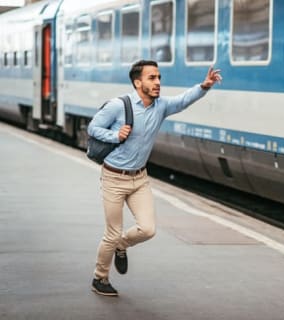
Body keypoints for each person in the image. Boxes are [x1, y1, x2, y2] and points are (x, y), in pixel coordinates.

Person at [87, 60, 222, 296]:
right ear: (138, 82)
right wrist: (114, 135)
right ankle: (100, 278)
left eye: (159, 77)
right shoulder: (119, 105)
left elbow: (182, 101)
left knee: (148, 230)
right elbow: (93, 128)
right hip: (113, 179)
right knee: (112, 233)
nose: (158, 82)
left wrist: (204, 86)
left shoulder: (161, 107)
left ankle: (122, 245)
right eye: (152, 78)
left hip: (139, 180)